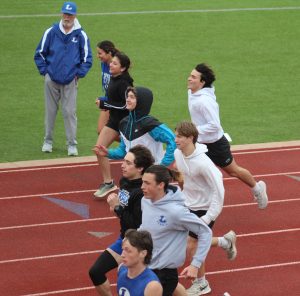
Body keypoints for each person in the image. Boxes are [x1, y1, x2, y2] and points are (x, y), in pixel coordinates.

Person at [187, 63, 268, 209]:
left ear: (202, 82)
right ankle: (197, 201)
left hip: (215, 143)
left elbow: (214, 125)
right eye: (190, 75)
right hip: (200, 143)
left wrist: (194, 130)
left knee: (233, 171)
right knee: (193, 170)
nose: (189, 79)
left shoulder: (204, 102)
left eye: (193, 77)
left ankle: (258, 189)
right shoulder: (192, 92)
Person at [174, 121, 237, 295]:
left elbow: (219, 191)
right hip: (187, 204)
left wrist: (209, 217)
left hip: (205, 208)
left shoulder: (204, 163)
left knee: (192, 244)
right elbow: (182, 176)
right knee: (182, 239)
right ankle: (225, 242)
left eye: (179, 136)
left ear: (190, 138)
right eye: (175, 135)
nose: (175, 139)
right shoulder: (177, 154)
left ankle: (201, 283)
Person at [89, 145, 155, 296]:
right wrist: (116, 208)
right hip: (125, 238)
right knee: (96, 272)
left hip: (140, 243)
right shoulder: (124, 181)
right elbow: (125, 214)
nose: (122, 165)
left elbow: (137, 224)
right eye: (124, 161)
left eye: (128, 163)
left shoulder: (142, 192)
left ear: (140, 169)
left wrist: (117, 208)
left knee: (162, 282)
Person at [139, 164, 212, 296]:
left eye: (147, 183)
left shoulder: (176, 212)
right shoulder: (145, 201)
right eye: (142, 182)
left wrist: (195, 264)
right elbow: (145, 227)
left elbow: (205, 232)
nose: (142, 187)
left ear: (160, 185)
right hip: (146, 267)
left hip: (164, 274)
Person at [93, 86, 176, 195]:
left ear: (141, 101)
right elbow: (124, 151)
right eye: (127, 96)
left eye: (132, 97)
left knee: (146, 208)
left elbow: (173, 141)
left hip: (151, 178)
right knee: (125, 206)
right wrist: (108, 153)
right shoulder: (124, 123)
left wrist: (162, 165)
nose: (127, 99)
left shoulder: (150, 125)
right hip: (132, 177)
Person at [34, 1, 92, 156]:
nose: (67, 17)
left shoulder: (81, 35)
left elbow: (87, 59)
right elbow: (39, 53)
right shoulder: (51, 32)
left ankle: (72, 144)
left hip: (70, 81)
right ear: (62, 14)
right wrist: (45, 72)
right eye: (65, 14)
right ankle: (47, 141)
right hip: (51, 80)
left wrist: (78, 74)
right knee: (50, 112)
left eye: (70, 14)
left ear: (75, 15)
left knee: (69, 112)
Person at [92, 52, 134, 198]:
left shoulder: (124, 83)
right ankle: (108, 182)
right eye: (112, 63)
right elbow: (113, 100)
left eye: (115, 63)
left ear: (122, 68)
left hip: (125, 122)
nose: (111, 65)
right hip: (114, 121)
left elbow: (125, 106)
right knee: (99, 149)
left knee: (132, 154)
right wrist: (106, 103)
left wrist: (105, 103)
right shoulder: (114, 78)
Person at [117, 229, 163, 296]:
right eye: (123, 249)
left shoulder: (152, 286)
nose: (122, 255)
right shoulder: (121, 269)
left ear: (143, 253)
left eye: (128, 251)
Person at [95, 40, 119, 134]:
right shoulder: (103, 64)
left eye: (100, 53)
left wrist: (104, 99)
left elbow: (118, 90)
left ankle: (131, 143)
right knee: (101, 131)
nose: (98, 56)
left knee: (105, 132)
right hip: (107, 101)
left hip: (116, 103)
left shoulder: (116, 68)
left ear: (109, 53)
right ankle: (129, 143)